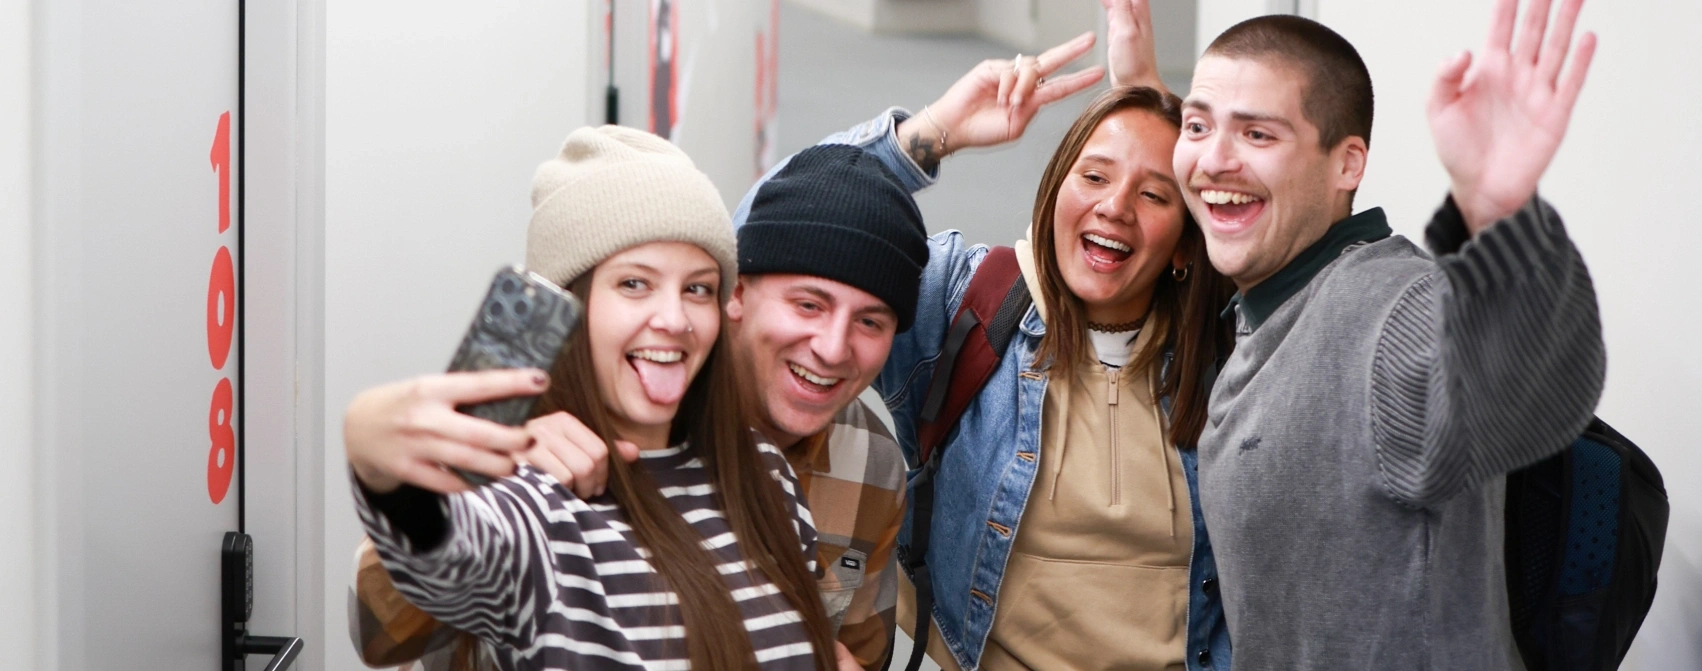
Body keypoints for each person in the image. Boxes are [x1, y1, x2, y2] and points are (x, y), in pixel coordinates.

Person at [348, 38, 1106, 667]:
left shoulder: (841, 467)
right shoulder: (541, 473)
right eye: (807, 304)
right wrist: (398, 459)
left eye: (871, 320)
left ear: (718, 297)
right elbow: (392, 618)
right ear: (744, 300)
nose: (833, 345)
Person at [1106, 0, 1607, 667]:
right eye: (1198, 126)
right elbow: (1215, 188)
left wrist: (1498, 213)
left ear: (1347, 165)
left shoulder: (1382, 306)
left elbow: (1508, 386)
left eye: (1259, 135)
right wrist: (1147, 95)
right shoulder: (1273, 288)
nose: (1214, 160)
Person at [745, 40, 1234, 670]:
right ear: (1055, 191)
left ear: (1184, 246)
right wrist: (930, 135)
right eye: (1094, 175)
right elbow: (769, 233)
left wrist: (1191, 136)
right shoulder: (964, 302)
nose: (1114, 206)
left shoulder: (1230, 353)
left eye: (1155, 195)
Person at [343, 126, 841, 670]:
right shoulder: (536, 500)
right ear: (570, 306)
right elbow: (439, 556)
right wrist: (378, 457)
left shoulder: (766, 475)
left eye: (697, 288)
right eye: (634, 284)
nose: (674, 319)